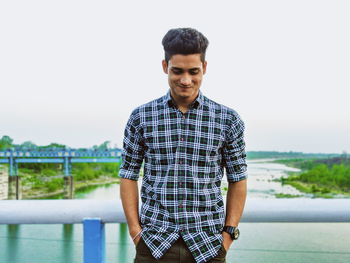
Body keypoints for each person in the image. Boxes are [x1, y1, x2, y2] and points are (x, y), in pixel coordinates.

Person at [119, 27, 247, 263]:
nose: (186, 80)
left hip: (208, 245)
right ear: (165, 66)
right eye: (177, 71)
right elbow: (128, 174)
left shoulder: (228, 120)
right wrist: (136, 232)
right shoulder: (141, 117)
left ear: (205, 68)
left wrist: (228, 235)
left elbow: (238, 178)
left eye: (193, 71)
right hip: (154, 244)